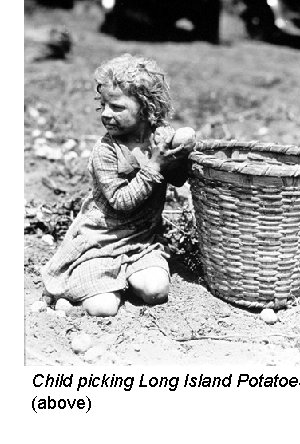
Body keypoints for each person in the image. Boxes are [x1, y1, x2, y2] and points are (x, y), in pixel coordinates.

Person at [42, 54, 194, 316]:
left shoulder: (159, 138)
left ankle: (119, 279)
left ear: (147, 109)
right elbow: (121, 202)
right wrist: (154, 166)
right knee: (103, 308)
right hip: (101, 240)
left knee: (156, 291)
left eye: (117, 107)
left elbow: (178, 179)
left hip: (142, 240)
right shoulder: (105, 151)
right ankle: (85, 285)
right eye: (103, 105)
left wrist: (180, 154)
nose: (106, 114)